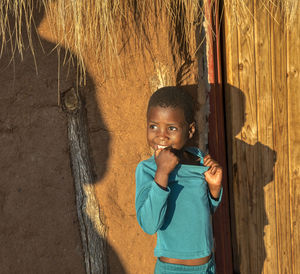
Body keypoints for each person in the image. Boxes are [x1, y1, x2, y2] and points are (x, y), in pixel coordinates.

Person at [135, 86, 223, 273]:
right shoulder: (148, 169)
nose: (161, 135)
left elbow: (200, 212)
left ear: (190, 130)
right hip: (173, 269)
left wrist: (214, 189)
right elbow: (149, 225)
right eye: (153, 126)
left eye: (172, 128)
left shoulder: (198, 159)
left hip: (207, 267)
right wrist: (162, 173)